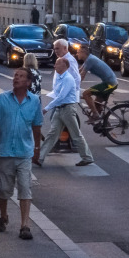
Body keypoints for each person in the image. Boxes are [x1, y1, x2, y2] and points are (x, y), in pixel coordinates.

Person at [0, 67, 45, 241]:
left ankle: (25, 225)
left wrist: (37, 149)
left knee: (25, 188)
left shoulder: (34, 101)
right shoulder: (1, 99)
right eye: (15, 75)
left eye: (21, 76)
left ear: (28, 82)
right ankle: (3, 217)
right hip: (5, 152)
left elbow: (37, 126)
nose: (16, 78)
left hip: (24, 153)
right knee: (3, 189)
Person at [43, 38, 93, 167]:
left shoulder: (69, 61)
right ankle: (39, 157)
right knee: (53, 132)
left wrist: (71, 95)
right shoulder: (62, 60)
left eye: (57, 48)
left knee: (74, 134)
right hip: (61, 102)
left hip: (66, 103)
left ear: (65, 48)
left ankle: (86, 156)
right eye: (54, 49)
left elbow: (76, 79)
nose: (55, 51)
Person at [76, 43, 117, 121]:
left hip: (110, 84)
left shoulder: (90, 60)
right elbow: (79, 71)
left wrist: (74, 86)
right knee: (96, 104)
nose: (77, 54)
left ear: (83, 52)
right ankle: (103, 123)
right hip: (108, 82)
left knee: (85, 94)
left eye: (78, 52)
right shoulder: (88, 59)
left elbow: (82, 75)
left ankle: (96, 115)